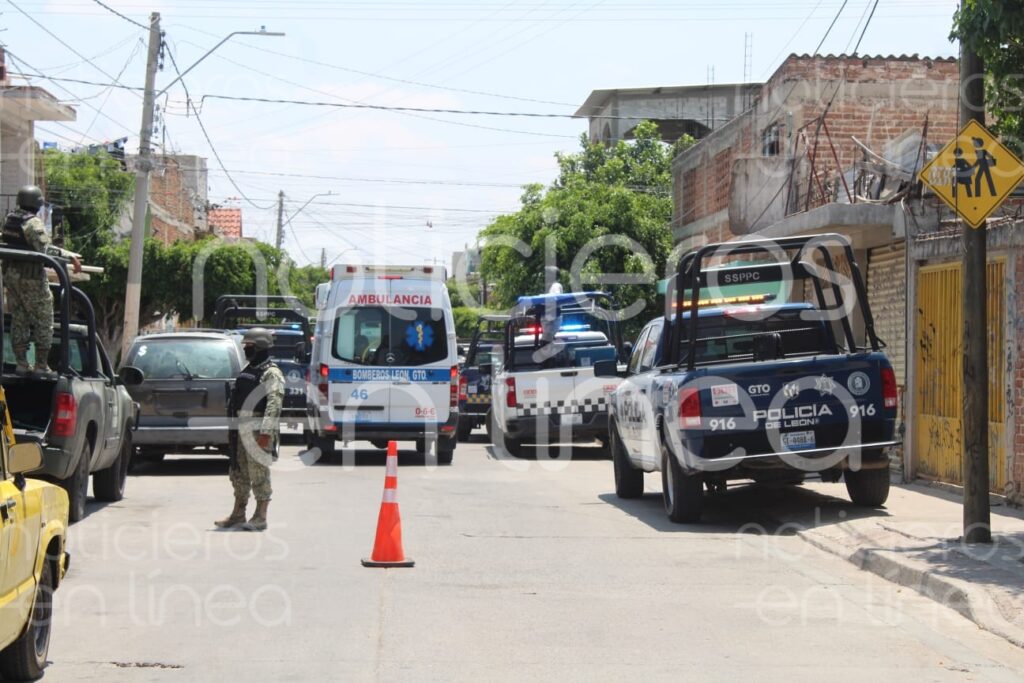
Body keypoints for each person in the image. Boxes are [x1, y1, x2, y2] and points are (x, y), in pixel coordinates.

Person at [1, 185, 81, 376]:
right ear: (36, 204)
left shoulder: (9, 220)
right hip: (31, 279)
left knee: (19, 319)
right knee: (44, 318)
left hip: (11, 278)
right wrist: (70, 256)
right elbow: (46, 249)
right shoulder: (33, 223)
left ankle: (21, 364)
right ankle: (41, 365)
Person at [215, 328, 284, 531]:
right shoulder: (248, 369)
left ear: (261, 347)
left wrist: (265, 433)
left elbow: (274, 404)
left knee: (258, 473)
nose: (245, 349)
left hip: (257, 430)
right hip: (240, 428)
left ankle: (260, 516)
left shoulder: (271, 373)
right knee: (238, 472)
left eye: (249, 346)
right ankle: (238, 514)